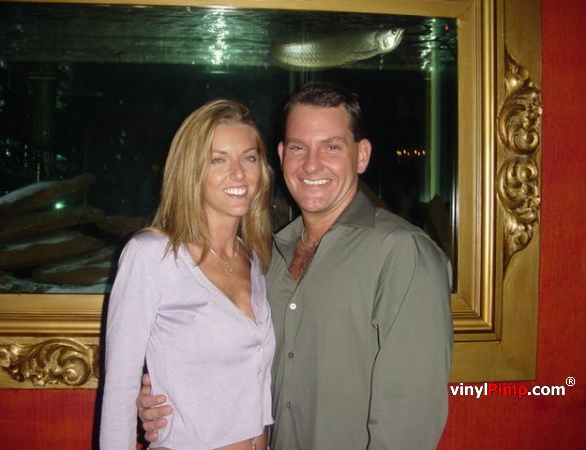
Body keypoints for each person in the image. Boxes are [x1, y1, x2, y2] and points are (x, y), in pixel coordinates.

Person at [137, 82, 453, 449]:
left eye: (331, 147)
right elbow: (236, 370)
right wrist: (168, 400)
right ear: (282, 155)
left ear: (361, 155)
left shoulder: (403, 255)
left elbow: (408, 424)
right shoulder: (265, 257)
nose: (311, 164)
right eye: (298, 147)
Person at [99, 99, 275, 450]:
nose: (239, 173)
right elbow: (120, 388)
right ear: (190, 171)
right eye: (218, 160)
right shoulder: (151, 256)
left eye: (249, 158)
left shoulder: (253, 256)